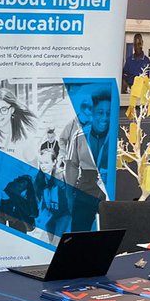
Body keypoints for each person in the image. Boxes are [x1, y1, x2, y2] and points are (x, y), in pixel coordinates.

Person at [0, 86, 37, 233]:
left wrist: (17, 186)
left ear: (12, 110)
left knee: (17, 242)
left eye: (3, 109)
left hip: (15, 199)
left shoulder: (25, 139)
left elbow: (34, 170)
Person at [60, 90, 112, 232]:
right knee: (79, 233)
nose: (105, 117)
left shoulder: (115, 136)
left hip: (110, 188)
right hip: (86, 188)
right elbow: (71, 165)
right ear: (92, 113)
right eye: (100, 112)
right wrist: (69, 195)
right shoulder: (80, 135)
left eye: (108, 113)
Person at [33, 143, 70, 241]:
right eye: (41, 163)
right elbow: (41, 200)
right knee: (51, 245)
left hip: (63, 215)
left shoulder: (62, 176)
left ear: (54, 162)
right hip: (49, 216)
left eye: (46, 162)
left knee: (56, 243)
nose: (43, 166)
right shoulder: (38, 179)